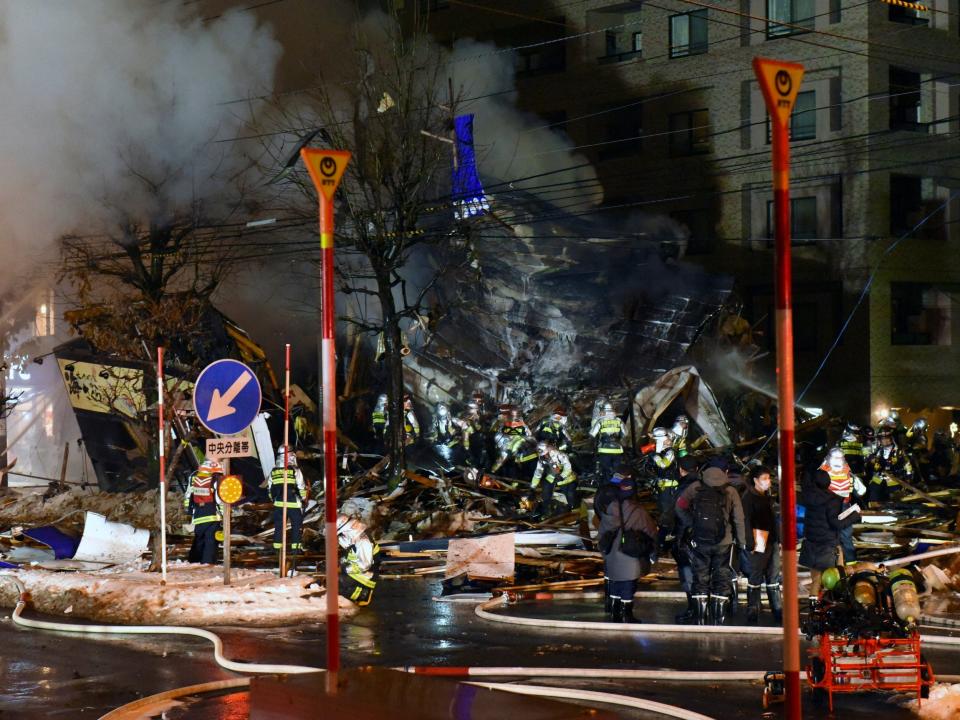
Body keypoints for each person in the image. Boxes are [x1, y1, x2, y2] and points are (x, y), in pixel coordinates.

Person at [675, 466, 746, 625]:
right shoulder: (731, 491)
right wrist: (741, 542)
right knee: (722, 578)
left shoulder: (695, 487)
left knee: (700, 578)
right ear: (725, 474)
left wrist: (692, 524)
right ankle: (718, 620)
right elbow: (739, 519)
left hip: (700, 541)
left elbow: (679, 507)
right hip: (724, 542)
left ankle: (700, 619)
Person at [596, 473, 658, 623]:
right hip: (630, 553)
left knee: (616, 583)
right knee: (628, 585)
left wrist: (604, 553)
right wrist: (653, 554)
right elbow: (651, 533)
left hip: (612, 554)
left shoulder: (610, 509)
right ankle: (626, 615)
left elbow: (602, 533)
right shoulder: (639, 511)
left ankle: (615, 614)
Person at [799, 466, 861, 607]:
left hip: (811, 543)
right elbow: (836, 524)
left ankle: (813, 607)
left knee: (816, 580)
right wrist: (854, 516)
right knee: (836, 578)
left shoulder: (807, 497)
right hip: (828, 545)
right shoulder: (832, 500)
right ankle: (834, 606)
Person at [742, 465, 781, 624]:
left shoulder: (767, 496)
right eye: (764, 479)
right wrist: (749, 543)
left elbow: (773, 520)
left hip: (771, 539)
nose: (768, 482)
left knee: (773, 575)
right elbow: (746, 521)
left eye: (769, 478)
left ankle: (777, 610)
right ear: (755, 480)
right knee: (756, 575)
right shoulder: (749, 498)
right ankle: (753, 611)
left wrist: (778, 539)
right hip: (758, 539)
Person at [817, 447, 865, 564]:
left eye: (840, 458)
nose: (838, 461)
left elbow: (861, 491)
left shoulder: (848, 472)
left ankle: (851, 563)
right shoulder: (821, 472)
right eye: (835, 458)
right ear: (829, 458)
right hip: (827, 508)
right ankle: (828, 563)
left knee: (846, 535)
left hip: (844, 507)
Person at [671, 454, 701, 623]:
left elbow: (677, 513)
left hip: (686, 537)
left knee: (688, 574)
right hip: (705, 536)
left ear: (681, 470)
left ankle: (693, 609)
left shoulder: (683, 489)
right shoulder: (703, 485)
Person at [269, 445, 308, 563]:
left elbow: (270, 489)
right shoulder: (294, 470)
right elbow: (301, 487)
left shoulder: (274, 471)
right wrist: (304, 498)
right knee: (296, 526)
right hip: (293, 504)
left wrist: (273, 500)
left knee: (279, 527)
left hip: (279, 504)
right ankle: (296, 549)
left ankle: (277, 549)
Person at [183, 458, 224, 564]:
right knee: (210, 541)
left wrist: (189, 512)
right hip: (212, 515)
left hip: (198, 515)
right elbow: (219, 500)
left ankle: (194, 561)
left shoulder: (194, 477)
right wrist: (224, 514)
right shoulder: (215, 479)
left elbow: (188, 496)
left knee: (199, 539)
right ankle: (207, 563)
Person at [336, 514, 380, 606]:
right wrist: (339, 563)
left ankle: (363, 594)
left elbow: (364, 566)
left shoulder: (363, 541)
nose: (341, 536)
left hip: (365, 577)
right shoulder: (354, 537)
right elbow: (350, 555)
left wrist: (343, 569)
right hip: (355, 572)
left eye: (341, 533)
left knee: (336, 584)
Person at [866, 427, 912, 505]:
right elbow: (868, 464)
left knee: (895, 500)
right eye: (882, 439)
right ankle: (874, 511)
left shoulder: (899, 451)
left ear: (891, 438)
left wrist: (908, 479)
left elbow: (907, 466)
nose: (885, 441)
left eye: (887, 438)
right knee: (873, 495)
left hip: (894, 480)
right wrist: (871, 462)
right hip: (879, 479)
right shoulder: (877, 451)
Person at [651, 427, 680, 550]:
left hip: (669, 490)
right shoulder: (663, 452)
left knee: (667, 514)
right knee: (664, 512)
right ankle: (667, 538)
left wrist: (655, 456)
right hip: (663, 489)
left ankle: (666, 540)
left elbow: (663, 465)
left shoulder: (670, 452)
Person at [530, 442, 578, 516]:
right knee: (546, 492)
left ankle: (574, 512)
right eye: (542, 455)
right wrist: (533, 487)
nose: (545, 456)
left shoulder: (559, 455)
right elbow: (538, 473)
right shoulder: (541, 459)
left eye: (545, 454)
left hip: (567, 478)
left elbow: (568, 467)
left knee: (570, 495)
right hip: (552, 477)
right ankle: (546, 511)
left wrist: (562, 476)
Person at [590, 402, 626, 479]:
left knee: (606, 471)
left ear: (603, 411)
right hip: (617, 450)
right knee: (616, 471)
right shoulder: (619, 421)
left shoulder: (600, 421)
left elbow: (592, 434)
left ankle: (607, 486)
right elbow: (625, 433)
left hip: (604, 450)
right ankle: (615, 485)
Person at [460, 400, 487, 469]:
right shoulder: (466, 420)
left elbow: (482, 426)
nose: (475, 411)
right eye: (472, 409)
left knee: (481, 457)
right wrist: (467, 450)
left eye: (475, 409)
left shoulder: (479, 416)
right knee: (474, 460)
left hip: (480, 441)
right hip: (472, 442)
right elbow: (465, 438)